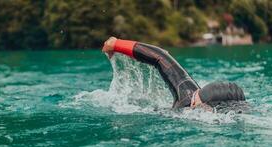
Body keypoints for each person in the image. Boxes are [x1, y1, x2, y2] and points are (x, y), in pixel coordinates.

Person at [102, 37, 246, 111]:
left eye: (195, 97)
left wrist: (116, 43)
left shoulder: (186, 100)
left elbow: (160, 57)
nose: (192, 97)